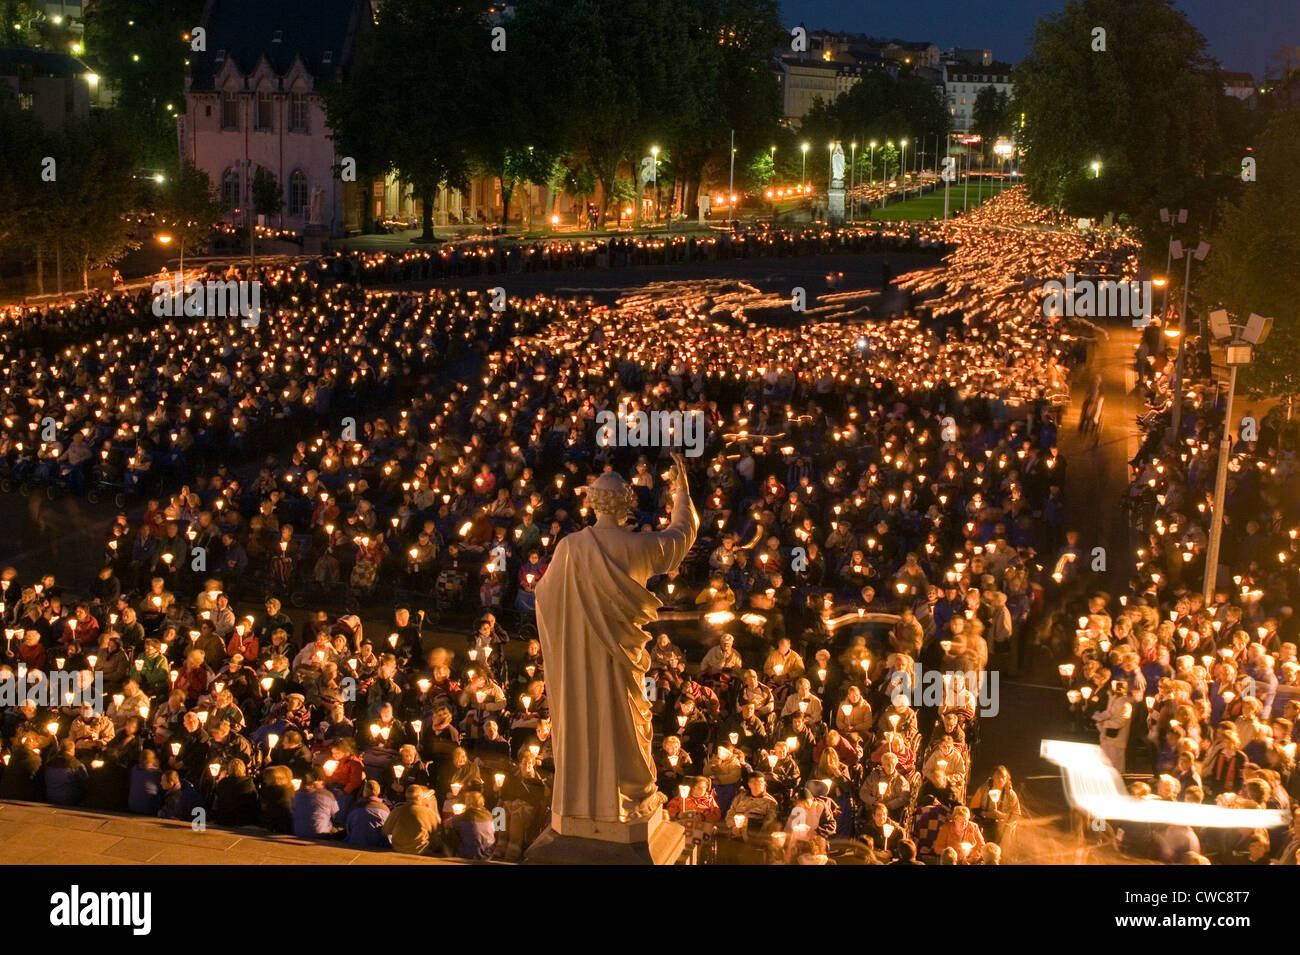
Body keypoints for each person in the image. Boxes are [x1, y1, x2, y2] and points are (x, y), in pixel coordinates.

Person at [383, 783, 443, 856]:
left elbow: (385, 831)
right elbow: (436, 834)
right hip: (420, 850)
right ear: (420, 797)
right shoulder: (428, 812)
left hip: (398, 849)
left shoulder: (397, 810)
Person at [291, 768, 339, 839]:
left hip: (298, 832)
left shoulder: (297, 794)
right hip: (321, 834)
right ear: (321, 780)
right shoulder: (327, 795)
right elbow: (336, 815)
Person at [345, 780, 391, 848]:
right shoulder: (386, 809)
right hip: (378, 845)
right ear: (378, 792)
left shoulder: (356, 807)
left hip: (356, 842)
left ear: (364, 792)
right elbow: (389, 830)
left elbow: (348, 827)